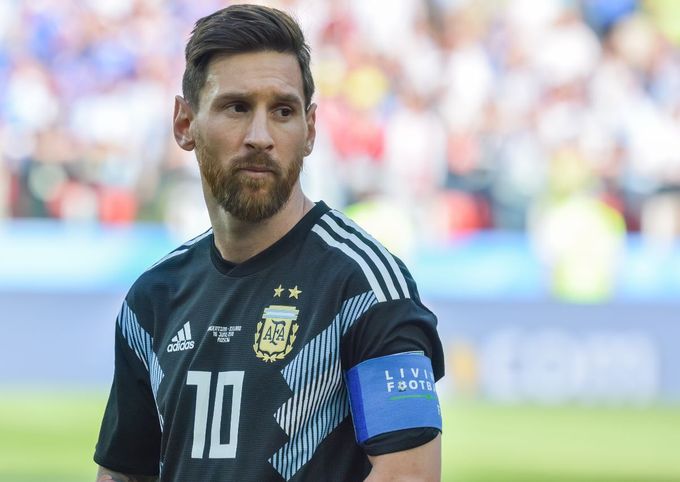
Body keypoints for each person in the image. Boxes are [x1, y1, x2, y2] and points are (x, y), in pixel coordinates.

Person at [94, 4, 444, 481]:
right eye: (237, 107)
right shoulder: (153, 299)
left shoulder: (365, 287)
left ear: (310, 130)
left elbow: (409, 475)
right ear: (184, 123)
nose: (260, 136)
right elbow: (123, 474)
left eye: (282, 111)